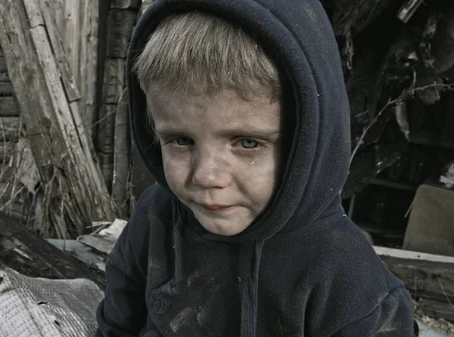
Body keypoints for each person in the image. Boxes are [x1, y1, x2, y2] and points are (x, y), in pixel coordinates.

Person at [95, 0, 415, 336]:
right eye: (180, 140)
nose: (206, 176)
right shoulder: (155, 217)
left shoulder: (353, 289)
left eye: (247, 143)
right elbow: (116, 324)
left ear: (307, 141)